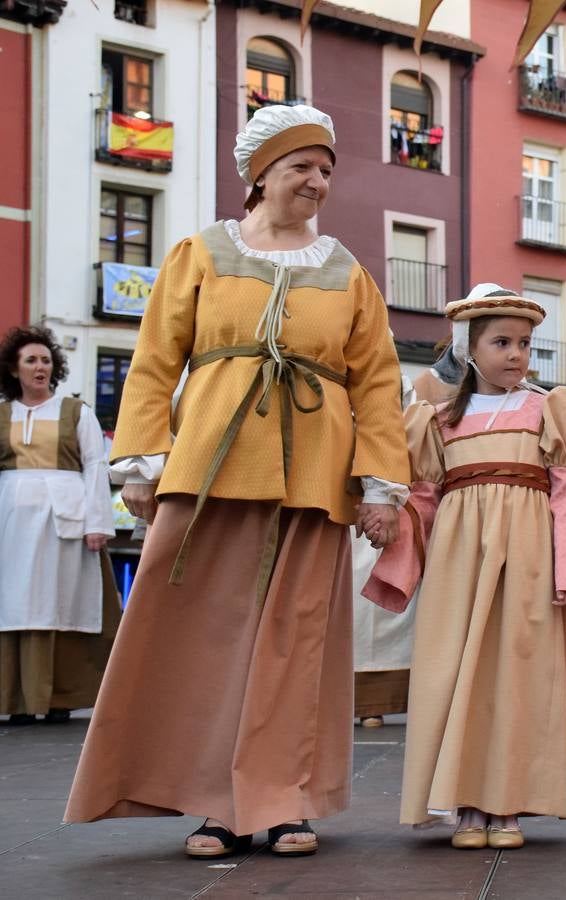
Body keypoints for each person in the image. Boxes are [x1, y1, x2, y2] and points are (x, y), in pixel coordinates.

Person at [64, 104, 410, 859]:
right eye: (301, 168)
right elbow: (156, 361)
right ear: (261, 175)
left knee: (296, 643)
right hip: (211, 470)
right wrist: (140, 463)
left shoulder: (347, 272)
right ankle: (212, 802)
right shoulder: (199, 253)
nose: (317, 182)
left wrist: (380, 484)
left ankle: (283, 800)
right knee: (205, 639)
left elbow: (379, 383)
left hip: (314, 478)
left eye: (325, 170)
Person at [395, 284, 566, 850]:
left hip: (528, 553)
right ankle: (466, 805)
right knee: (457, 675)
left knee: (518, 672)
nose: (516, 355)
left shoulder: (548, 408)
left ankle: (508, 804)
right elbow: (423, 496)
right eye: (501, 342)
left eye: (525, 344)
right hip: (460, 560)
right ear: (468, 347)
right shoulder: (435, 419)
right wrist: (401, 552)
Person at [0, 326, 119, 725]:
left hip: (64, 526)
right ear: (14, 369)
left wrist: (97, 523)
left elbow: (95, 466)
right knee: (12, 605)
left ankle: (59, 697)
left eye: (46, 360)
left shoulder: (76, 412)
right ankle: (14, 698)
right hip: (10, 525)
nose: (40, 367)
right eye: (31, 360)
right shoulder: (2, 414)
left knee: (62, 604)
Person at [354, 376, 419, 729]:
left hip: (382, 493)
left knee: (375, 603)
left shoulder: (394, 381)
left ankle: (374, 701)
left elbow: (400, 430)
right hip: (340, 488)